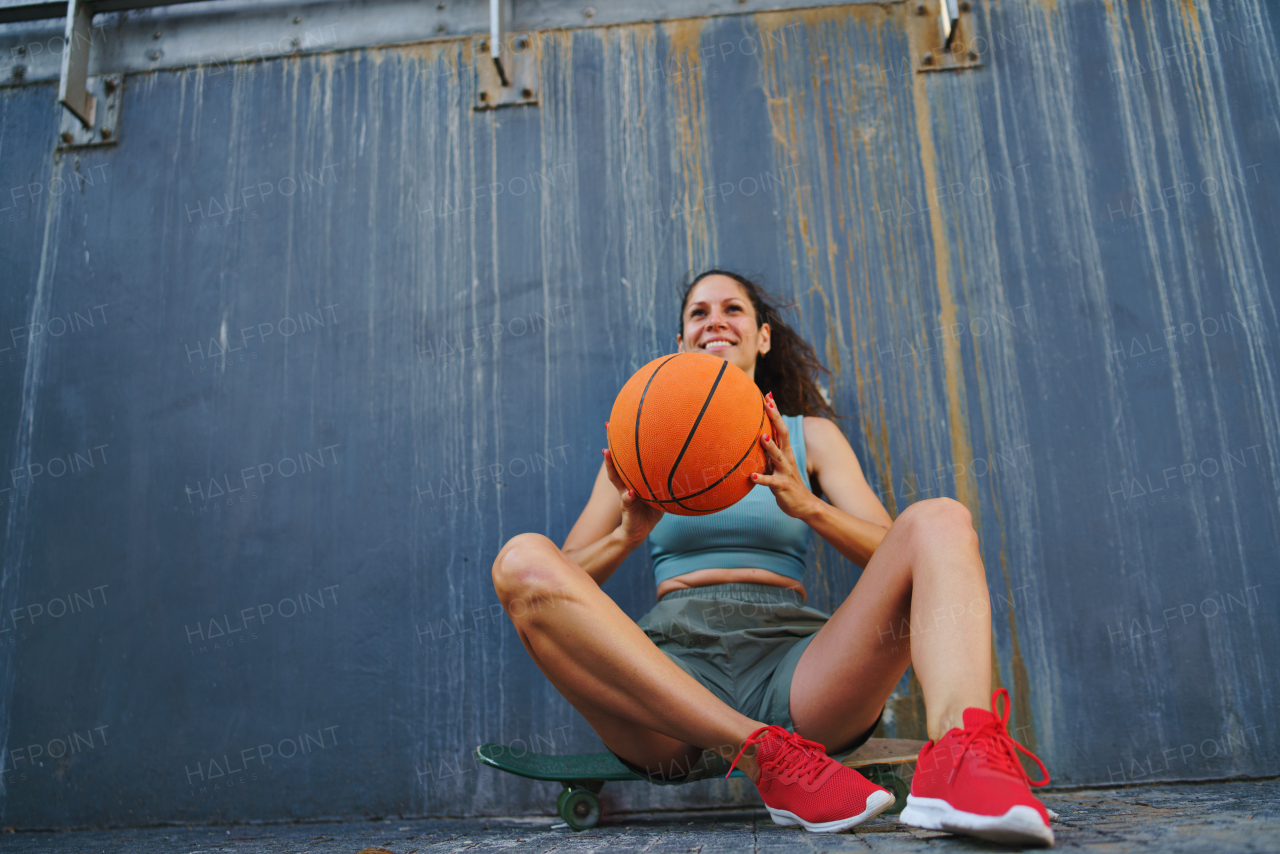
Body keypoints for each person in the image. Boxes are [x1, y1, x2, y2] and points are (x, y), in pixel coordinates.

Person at [491, 270, 1053, 845]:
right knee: (519, 560)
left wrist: (810, 507)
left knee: (941, 520)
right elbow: (548, 586)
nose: (715, 320)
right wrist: (626, 538)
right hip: (670, 680)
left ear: (761, 337)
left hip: (800, 672)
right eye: (698, 312)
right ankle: (765, 754)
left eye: (732, 308)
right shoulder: (639, 444)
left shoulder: (811, 437)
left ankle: (959, 759)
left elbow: (903, 557)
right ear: (681, 341)